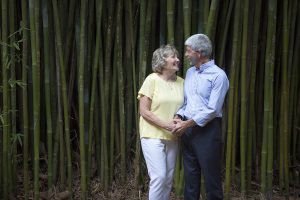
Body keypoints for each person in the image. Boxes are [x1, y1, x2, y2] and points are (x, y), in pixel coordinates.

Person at [173, 34, 229, 200]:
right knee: (190, 179)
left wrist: (186, 124)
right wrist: (178, 115)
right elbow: (187, 103)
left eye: (188, 51)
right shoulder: (190, 73)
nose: (186, 54)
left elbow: (212, 110)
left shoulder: (219, 76)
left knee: (211, 179)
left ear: (199, 52)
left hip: (208, 131)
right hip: (188, 130)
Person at [137, 44, 184, 200]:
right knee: (159, 177)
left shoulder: (182, 82)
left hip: (173, 136)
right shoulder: (152, 80)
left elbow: (185, 107)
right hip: (152, 135)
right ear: (162, 60)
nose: (177, 59)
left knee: (168, 180)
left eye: (177, 56)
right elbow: (144, 111)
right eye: (173, 57)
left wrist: (180, 119)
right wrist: (166, 125)